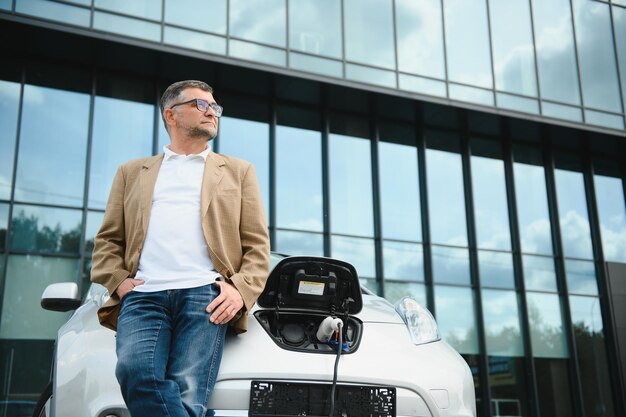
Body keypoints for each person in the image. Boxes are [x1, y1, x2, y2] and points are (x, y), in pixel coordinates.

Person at [90, 80, 270, 417]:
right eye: (202, 105)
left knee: (189, 397)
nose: (212, 112)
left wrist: (240, 291)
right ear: (171, 115)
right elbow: (108, 240)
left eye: (215, 107)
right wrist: (118, 282)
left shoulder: (239, 171)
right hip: (144, 295)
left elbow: (257, 246)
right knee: (135, 373)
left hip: (206, 296)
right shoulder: (131, 172)